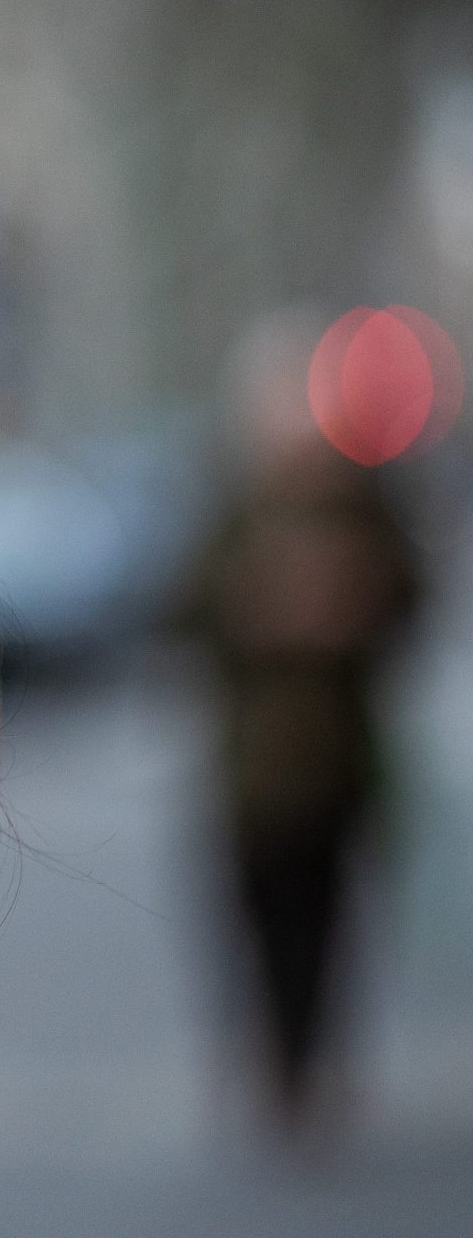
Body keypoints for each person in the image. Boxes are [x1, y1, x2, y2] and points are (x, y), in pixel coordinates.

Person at [187, 326, 423, 1137]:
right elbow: (184, 611)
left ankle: (311, 1064)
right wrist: (256, 605)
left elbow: (411, 600)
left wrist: (353, 603)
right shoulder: (236, 510)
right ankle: (276, 1061)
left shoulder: (362, 504)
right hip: (250, 771)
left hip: (335, 764)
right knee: (259, 919)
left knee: (326, 920)